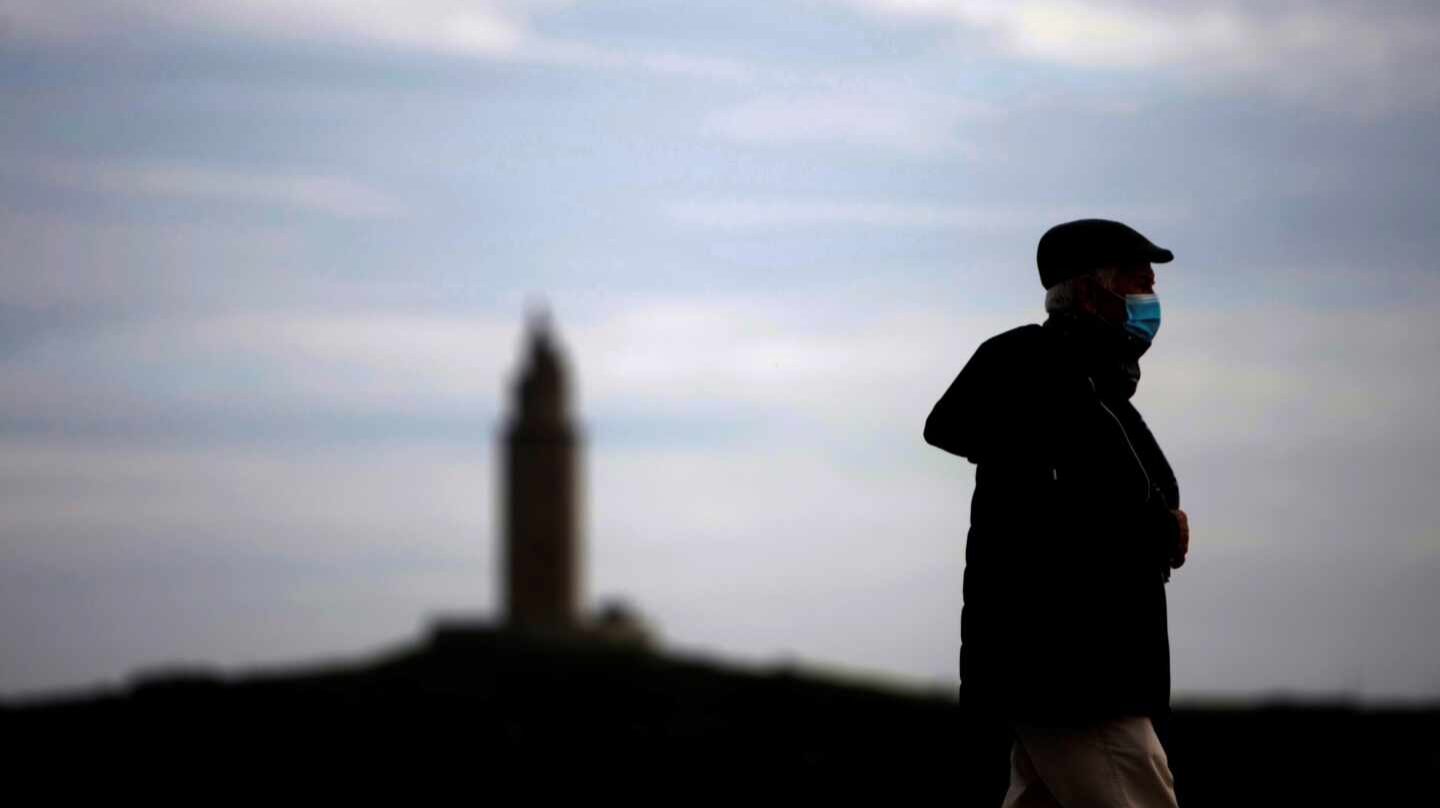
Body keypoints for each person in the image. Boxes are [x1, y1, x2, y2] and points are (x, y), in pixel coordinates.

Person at [925, 219, 1191, 807]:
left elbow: (1109, 489)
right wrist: (1151, 525)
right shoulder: (1036, 365)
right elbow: (1069, 501)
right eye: (1137, 280)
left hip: (1079, 671)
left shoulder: (1096, 384)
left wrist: (1159, 520)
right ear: (1091, 291)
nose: (1151, 294)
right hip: (1073, 675)